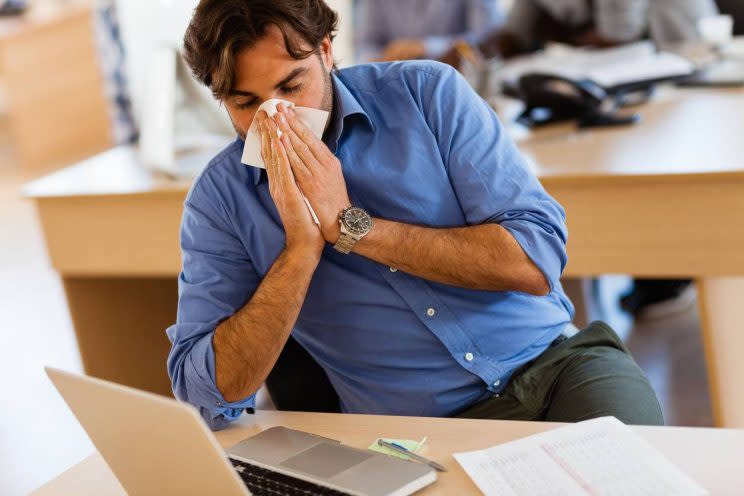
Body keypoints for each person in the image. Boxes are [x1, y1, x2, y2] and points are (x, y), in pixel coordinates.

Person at [167, 0, 663, 431]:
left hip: (555, 369)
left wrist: (350, 226)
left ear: (325, 51)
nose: (277, 121)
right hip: (412, 431)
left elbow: (534, 264)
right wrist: (299, 251)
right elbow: (206, 398)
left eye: (291, 87)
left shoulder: (428, 94)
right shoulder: (221, 201)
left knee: (630, 474)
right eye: (246, 103)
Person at [442, 0, 719, 66]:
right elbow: (514, 34)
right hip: (618, 57)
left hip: (678, 48)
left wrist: (553, 54)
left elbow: (618, 36)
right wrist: (474, 51)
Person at [354, 0, 503, 63]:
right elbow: (365, 42)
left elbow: (487, 38)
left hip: (463, 85)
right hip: (395, 85)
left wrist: (426, 47)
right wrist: (376, 61)